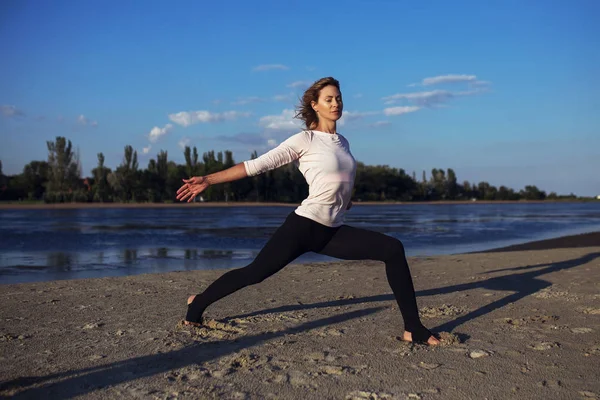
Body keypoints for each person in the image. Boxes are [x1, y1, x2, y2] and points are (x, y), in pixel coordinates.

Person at [176, 77, 440, 345]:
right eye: (329, 99)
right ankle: (198, 303)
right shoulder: (305, 139)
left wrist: (345, 199)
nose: (336, 103)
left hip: (333, 230)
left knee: (392, 249)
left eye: (338, 98)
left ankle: (413, 328)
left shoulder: (343, 142)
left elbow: (338, 178)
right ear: (315, 105)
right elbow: (255, 166)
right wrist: (208, 180)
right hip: (304, 227)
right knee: (254, 273)